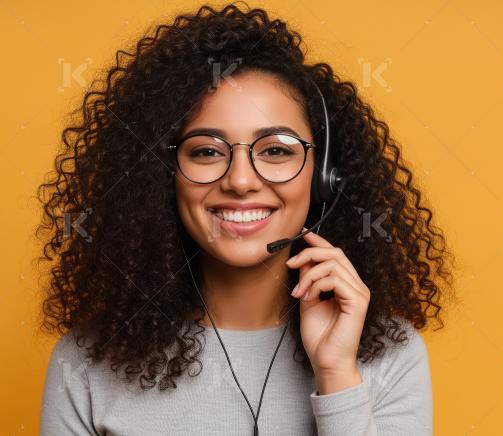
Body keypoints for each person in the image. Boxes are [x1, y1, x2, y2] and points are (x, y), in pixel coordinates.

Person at [36, 3, 455, 435]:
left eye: (276, 150)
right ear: (163, 175)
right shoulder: (84, 364)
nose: (240, 180)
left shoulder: (391, 357)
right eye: (206, 151)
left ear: (325, 175)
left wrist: (335, 376)